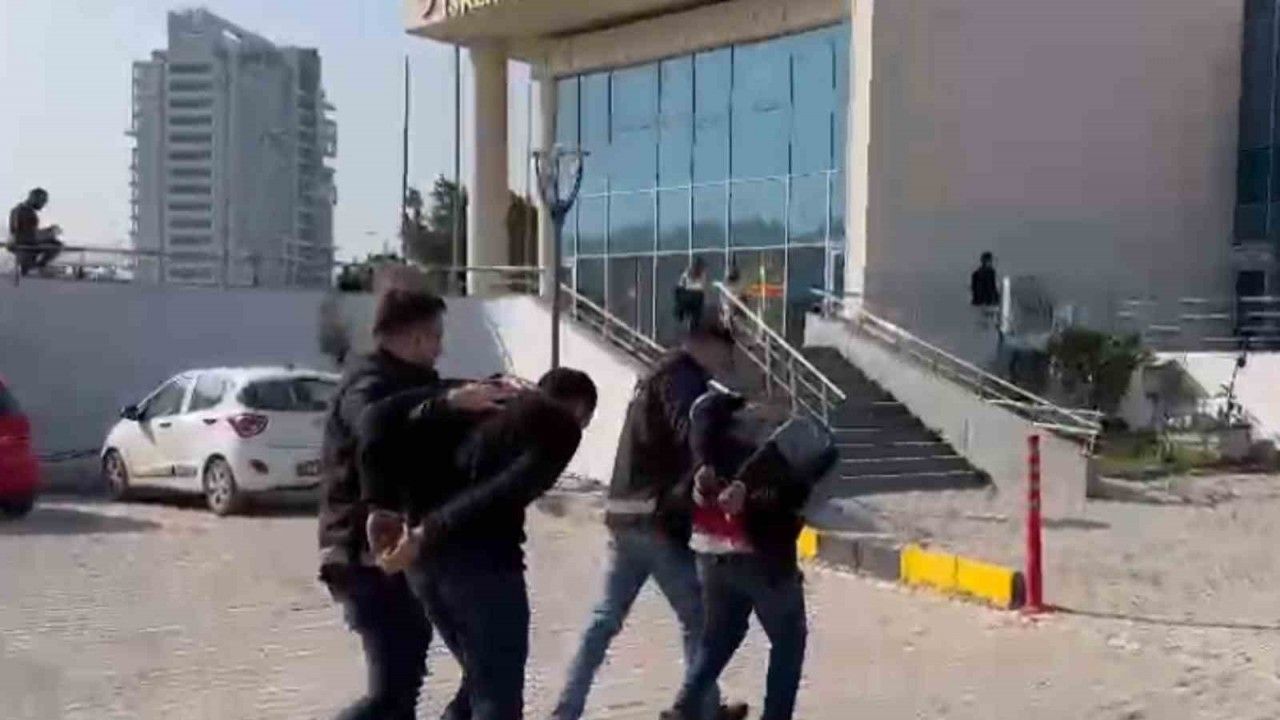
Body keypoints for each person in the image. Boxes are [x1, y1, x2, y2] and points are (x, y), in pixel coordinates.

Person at [318, 288, 512, 720]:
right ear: (414, 337)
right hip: (366, 552)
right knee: (393, 696)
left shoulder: (409, 381)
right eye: (435, 337)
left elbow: (431, 407)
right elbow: (373, 422)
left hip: (403, 552)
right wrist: (448, 401)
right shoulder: (366, 384)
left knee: (442, 678)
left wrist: (482, 393)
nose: (440, 348)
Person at [362, 368, 597, 720]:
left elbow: (375, 418)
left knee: (480, 678)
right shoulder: (562, 425)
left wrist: (381, 506)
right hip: (482, 566)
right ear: (579, 409)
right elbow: (505, 491)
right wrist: (429, 530)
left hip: (422, 567)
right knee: (496, 696)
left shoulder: (483, 391)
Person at [551, 322, 745, 720]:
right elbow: (690, 430)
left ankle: (566, 710)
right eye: (727, 353)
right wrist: (719, 441)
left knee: (605, 619)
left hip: (625, 513)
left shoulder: (656, 376)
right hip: (654, 517)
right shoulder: (683, 379)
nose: (727, 362)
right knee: (699, 617)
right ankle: (701, 709)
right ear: (708, 344)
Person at [661, 388, 836, 720]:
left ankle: (684, 709)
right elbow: (793, 489)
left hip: (711, 552)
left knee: (718, 638)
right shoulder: (781, 438)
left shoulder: (708, 433)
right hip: (763, 559)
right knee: (788, 643)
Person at [8, 188, 62, 275]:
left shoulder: (17, 209)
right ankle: (38, 266)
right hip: (25, 244)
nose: (43, 205)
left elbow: (24, 232)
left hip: (19, 243)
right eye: (43, 202)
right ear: (35, 199)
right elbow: (29, 236)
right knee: (57, 245)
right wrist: (50, 232)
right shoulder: (27, 212)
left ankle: (35, 266)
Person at [675, 257, 708, 333]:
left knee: (679, 294)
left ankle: (680, 312)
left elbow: (680, 284)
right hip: (697, 296)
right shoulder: (702, 274)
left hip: (688, 294)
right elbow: (703, 287)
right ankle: (694, 321)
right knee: (697, 310)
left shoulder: (687, 272)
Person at [970, 252, 1000, 329]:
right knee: (987, 323)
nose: (991, 263)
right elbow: (991, 288)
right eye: (989, 261)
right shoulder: (985, 273)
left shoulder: (978, 273)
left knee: (986, 324)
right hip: (985, 303)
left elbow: (993, 287)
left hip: (984, 303)